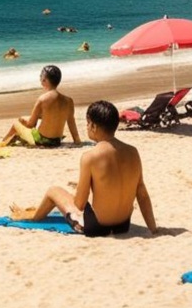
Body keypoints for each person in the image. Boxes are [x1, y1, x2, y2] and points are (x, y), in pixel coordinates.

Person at [8, 100, 157, 237]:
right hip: (123, 225)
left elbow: (79, 204)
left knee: (54, 191)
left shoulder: (90, 157)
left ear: (93, 126)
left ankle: (32, 217)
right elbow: (142, 194)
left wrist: (78, 192)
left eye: (87, 123)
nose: (87, 127)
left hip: (97, 227)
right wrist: (153, 229)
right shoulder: (133, 152)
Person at [0, 65, 80, 148]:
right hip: (56, 141)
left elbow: (30, 124)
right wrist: (77, 141)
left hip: (41, 140)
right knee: (38, 119)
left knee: (16, 125)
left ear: (44, 80)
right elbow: (71, 123)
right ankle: (18, 138)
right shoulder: (69, 101)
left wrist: (22, 120)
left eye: (40, 76)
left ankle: (2, 144)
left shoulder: (42, 99)